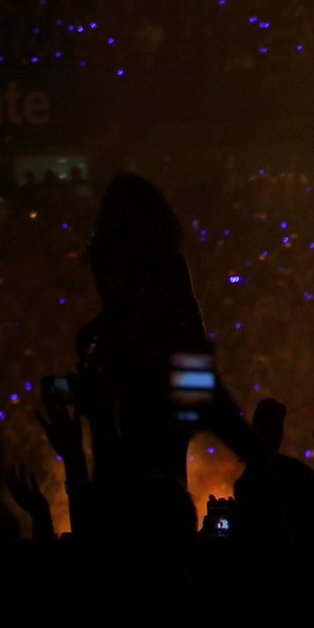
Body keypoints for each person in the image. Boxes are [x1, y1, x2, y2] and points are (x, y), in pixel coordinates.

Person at [58, 172, 217, 540]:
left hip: (131, 378)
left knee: (119, 465)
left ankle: (116, 543)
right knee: (164, 472)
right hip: (153, 380)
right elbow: (190, 322)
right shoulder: (164, 259)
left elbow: (128, 310)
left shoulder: (115, 255)